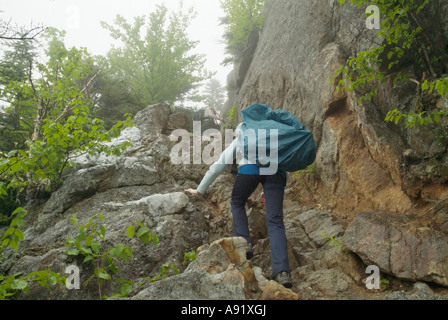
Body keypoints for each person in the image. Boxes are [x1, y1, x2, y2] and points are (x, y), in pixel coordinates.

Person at [184, 120, 292, 288]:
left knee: (237, 202)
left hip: (249, 170)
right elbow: (282, 166)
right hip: (275, 172)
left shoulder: (243, 137)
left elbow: (219, 164)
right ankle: (282, 272)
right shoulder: (271, 138)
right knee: (275, 221)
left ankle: (244, 243)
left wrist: (200, 190)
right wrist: (273, 187)